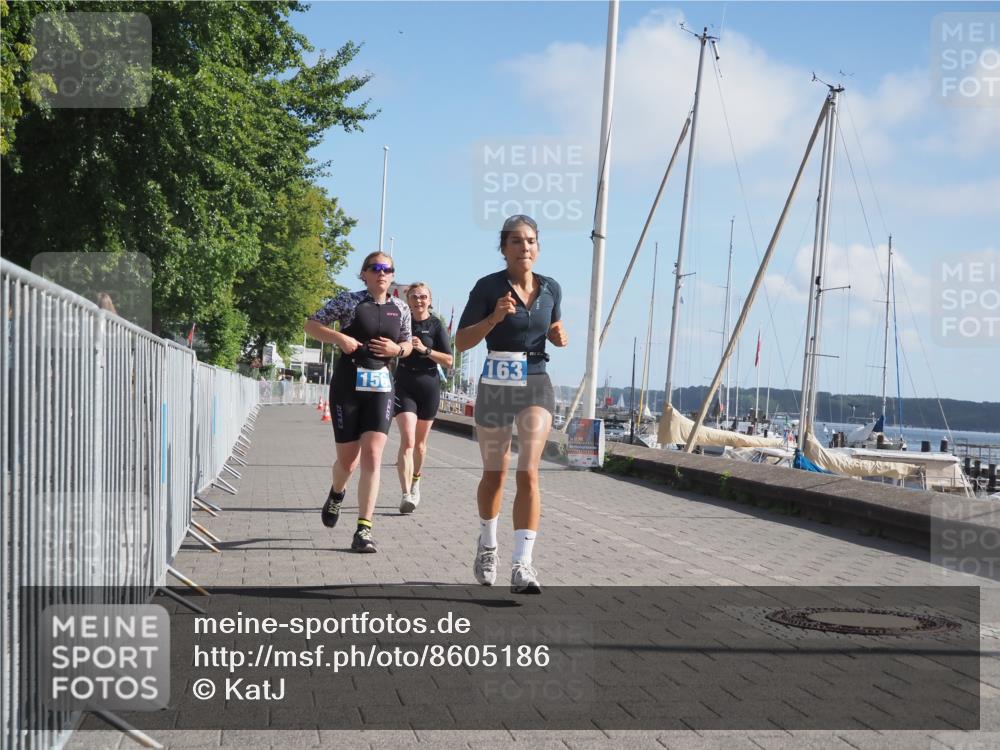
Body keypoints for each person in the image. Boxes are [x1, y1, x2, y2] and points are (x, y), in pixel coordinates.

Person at [455, 215, 568, 593]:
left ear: (539, 246)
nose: (525, 248)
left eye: (532, 241)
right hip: (496, 384)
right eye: (517, 242)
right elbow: (461, 343)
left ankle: (523, 565)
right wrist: (494, 317)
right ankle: (488, 544)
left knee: (529, 472)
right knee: (495, 474)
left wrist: (557, 334)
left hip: (535, 381)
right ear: (503, 248)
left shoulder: (551, 288)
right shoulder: (488, 287)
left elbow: (553, 327)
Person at [304, 252, 412, 553]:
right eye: (375, 268)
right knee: (348, 462)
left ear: (392, 275)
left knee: (374, 457)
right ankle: (337, 493)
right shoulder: (349, 301)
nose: (382, 273)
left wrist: (397, 349)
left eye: (388, 269)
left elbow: (407, 344)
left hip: (381, 386)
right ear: (364, 273)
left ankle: (363, 529)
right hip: (347, 386)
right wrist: (339, 338)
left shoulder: (400, 307)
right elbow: (311, 325)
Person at [394, 283, 453, 513]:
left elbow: (448, 360)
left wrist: (425, 351)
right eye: (414, 297)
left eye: (423, 297)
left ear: (430, 300)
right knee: (407, 441)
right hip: (404, 384)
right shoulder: (402, 321)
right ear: (408, 300)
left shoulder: (436, 325)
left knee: (420, 445)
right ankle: (406, 493)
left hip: (429, 386)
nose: (419, 300)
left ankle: (416, 480)